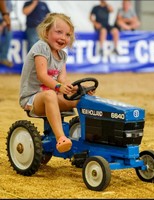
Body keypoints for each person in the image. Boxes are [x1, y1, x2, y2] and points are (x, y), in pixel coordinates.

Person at [19, 13, 96, 153]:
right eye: (58, 32)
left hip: (52, 95)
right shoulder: (41, 47)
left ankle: (90, 136)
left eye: (67, 34)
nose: (63, 37)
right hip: (32, 98)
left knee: (81, 99)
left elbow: (63, 80)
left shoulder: (62, 56)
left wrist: (79, 89)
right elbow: (42, 76)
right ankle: (61, 138)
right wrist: (59, 87)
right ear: (46, 32)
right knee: (49, 95)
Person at [0, 0, 13, 67]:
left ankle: (3, 57)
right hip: (3, 18)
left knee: (9, 32)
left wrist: (5, 23)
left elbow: (8, 15)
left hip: (3, 20)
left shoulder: (9, 2)